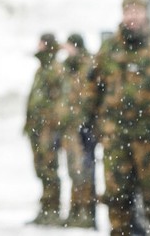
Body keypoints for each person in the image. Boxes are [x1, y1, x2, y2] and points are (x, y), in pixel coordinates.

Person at [87, 0, 150, 236]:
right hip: (116, 137)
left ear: (146, 13)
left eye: (136, 11)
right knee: (117, 198)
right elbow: (92, 88)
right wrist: (92, 123)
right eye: (128, 11)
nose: (131, 17)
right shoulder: (109, 49)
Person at [25, 32, 64, 226]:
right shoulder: (42, 69)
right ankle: (46, 208)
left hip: (48, 130)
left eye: (41, 43)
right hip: (37, 129)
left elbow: (60, 101)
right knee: (41, 169)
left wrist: (51, 125)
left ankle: (52, 210)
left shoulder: (54, 69)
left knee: (49, 169)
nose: (37, 46)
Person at [60, 33, 98, 228]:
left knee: (85, 170)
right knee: (74, 170)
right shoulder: (70, 67)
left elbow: (89, 96)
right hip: (71, 127)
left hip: (84, 127)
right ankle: (76, 211)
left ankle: (87, 213)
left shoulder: (88, 66)